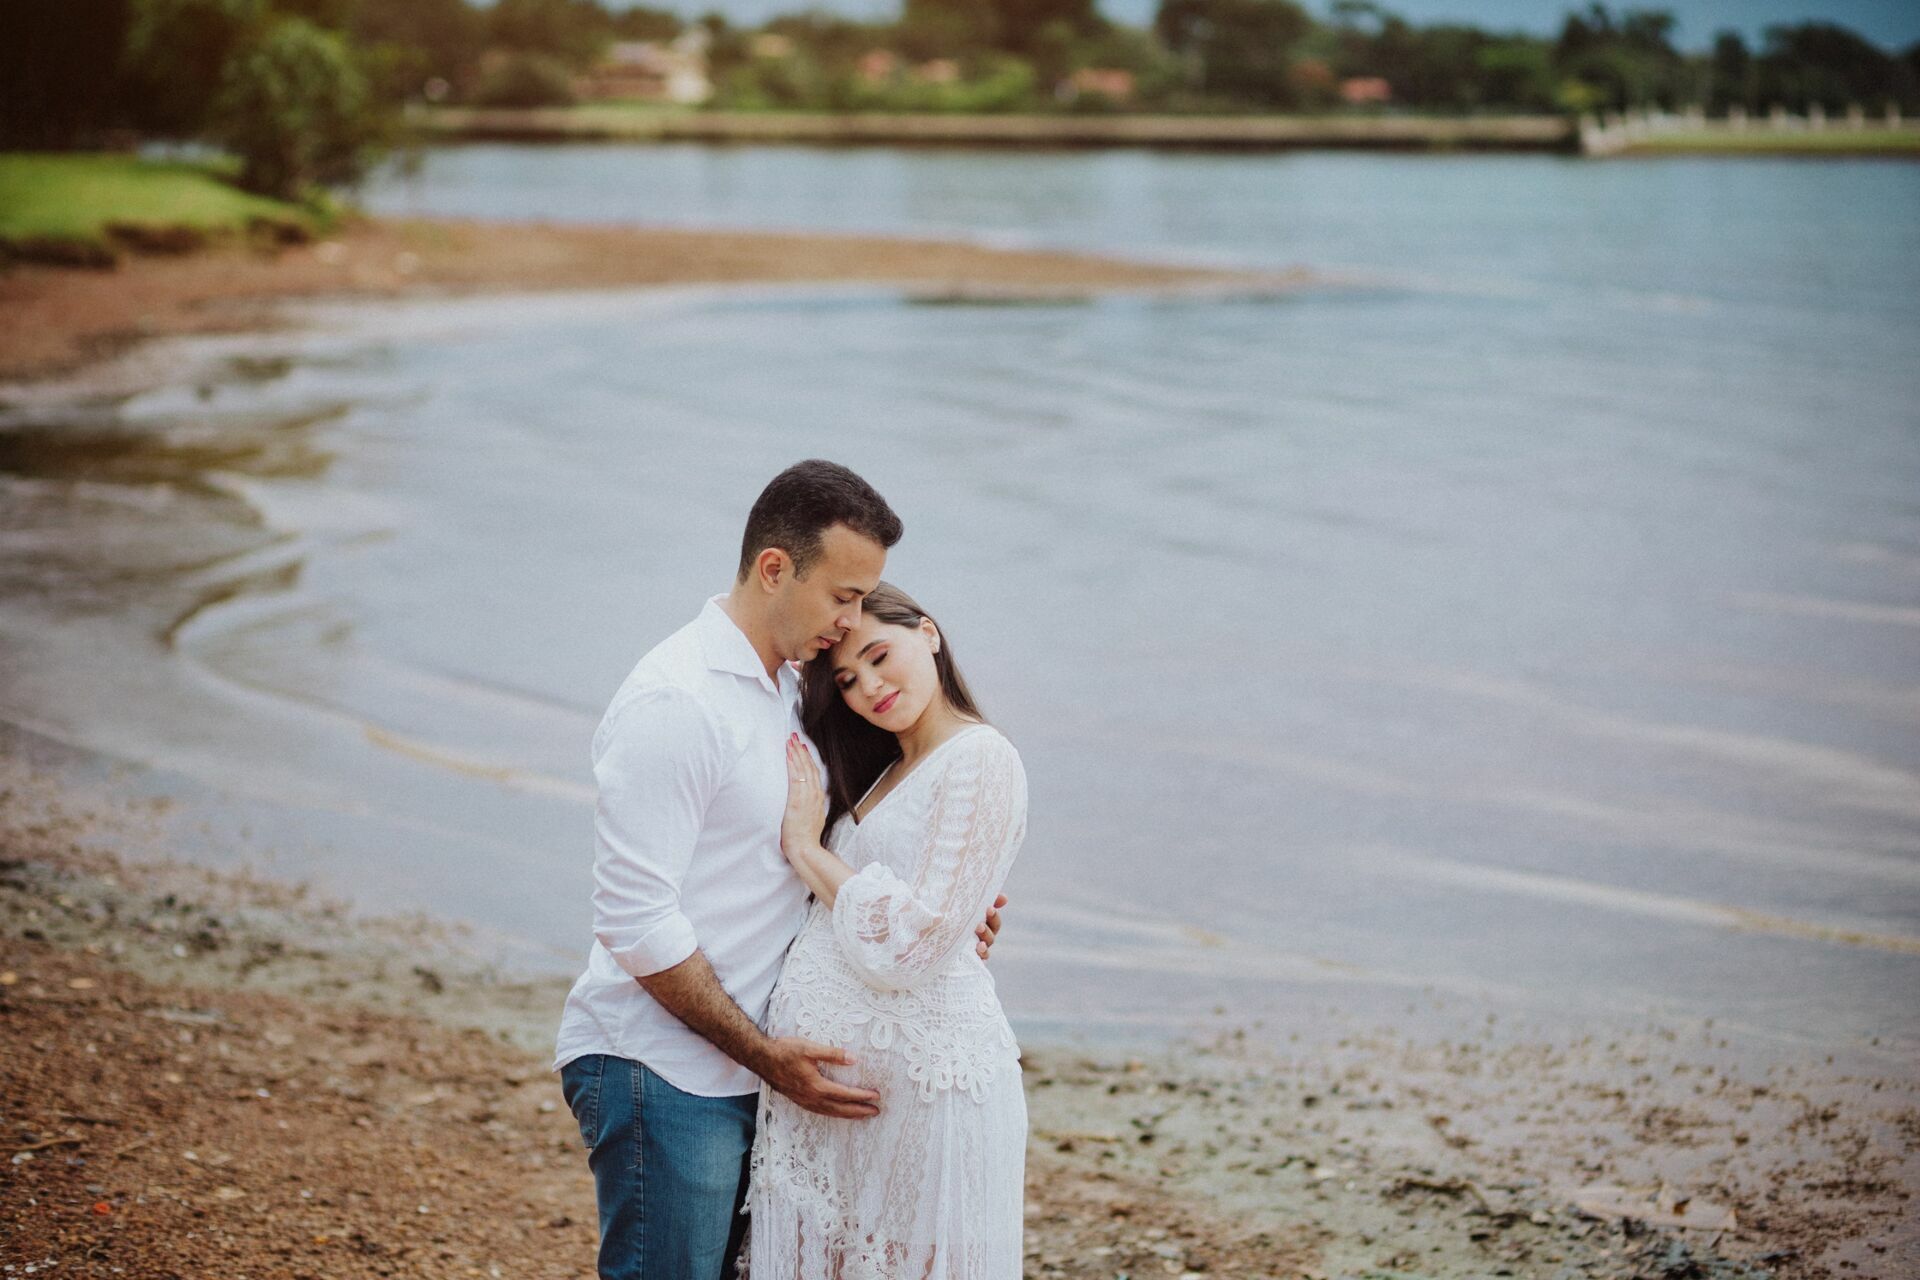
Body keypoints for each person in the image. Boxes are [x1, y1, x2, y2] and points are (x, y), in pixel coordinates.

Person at [551, 462, 1007, 1278]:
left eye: (867, 601)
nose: (853, 619)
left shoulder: (786, 694)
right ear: (774, 569)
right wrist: (764, 1055)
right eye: (843, 597)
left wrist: (939, 913)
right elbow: (632, 918)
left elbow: (805, 864)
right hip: (663, 1068)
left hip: (743, 1070)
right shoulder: (677, 702)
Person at [743, 582, 1029, 1279]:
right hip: (840, 1107)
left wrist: (809, 850)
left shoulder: (982, 758)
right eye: (847, 678)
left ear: (928, 633)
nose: (870, 686)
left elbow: (911, 943)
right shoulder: (883, 774)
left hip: (927, 1097)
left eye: (880, 655)